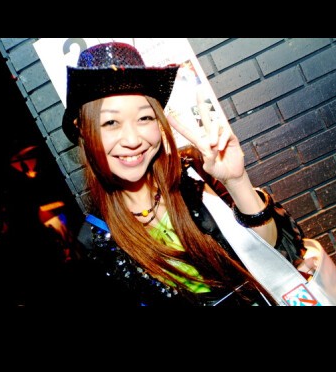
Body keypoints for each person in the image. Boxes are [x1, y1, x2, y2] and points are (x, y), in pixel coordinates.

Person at [62, 41, 308, 307]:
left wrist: (237, 181)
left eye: (145, 118)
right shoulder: (95, 242)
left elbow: (274, 253)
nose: (132, 140)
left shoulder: (193, 173)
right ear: (83, 131)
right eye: (111, 122)